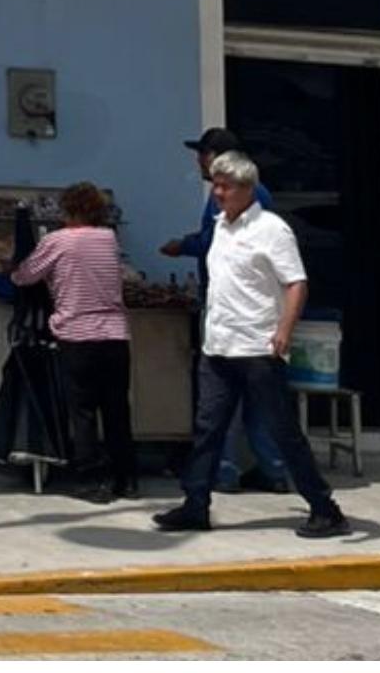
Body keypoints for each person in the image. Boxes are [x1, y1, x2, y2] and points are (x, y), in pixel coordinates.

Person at [153, 150, 351, 539]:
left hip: (258, 347)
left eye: (225, 186)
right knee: (208, 428)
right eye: (215, 185)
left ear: (248, 189)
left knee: (282, 429)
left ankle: (325, 508)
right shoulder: (220, 228)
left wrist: (284, 330)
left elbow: (296, 283)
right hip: (219, 346)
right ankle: (195, 504)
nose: (218, 193)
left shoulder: (272, 230)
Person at [158, 127, 291, 494]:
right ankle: (273, 468)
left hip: (235, 312)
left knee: (224, 395)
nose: (198, 162)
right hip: (255, 311)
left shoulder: (234, 197)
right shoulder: (253, 193)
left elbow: (213, 242)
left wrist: (181, 245)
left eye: (201, 154)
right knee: (257, 396)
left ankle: (226, 469)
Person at [9, 182, 138, 501]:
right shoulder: (109, 239)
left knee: (81, 412)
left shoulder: (57, 241)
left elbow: (24, 275)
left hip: (77, 335)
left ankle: (91, 479)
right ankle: (126, 478)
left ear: (68, 210)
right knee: (116, 409)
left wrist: (11, 268)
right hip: (115, 335)